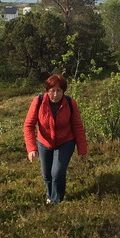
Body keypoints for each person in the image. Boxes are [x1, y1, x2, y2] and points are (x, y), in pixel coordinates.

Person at [24, 74, 88, 205]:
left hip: (65, 141)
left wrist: (82, 149)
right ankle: (50, 195)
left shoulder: (70, 103)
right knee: (47, 174)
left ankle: (56, 200)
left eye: (59, 90)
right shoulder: (39, 101)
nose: (55, 94)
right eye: (52, 90)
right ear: (47, 90)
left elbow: (78, 126)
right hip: (44, 142)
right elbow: (28, 125)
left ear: (63, 91)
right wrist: (31, 148)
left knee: (57, 173)